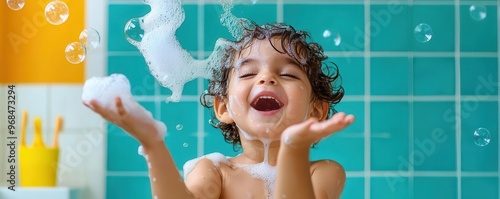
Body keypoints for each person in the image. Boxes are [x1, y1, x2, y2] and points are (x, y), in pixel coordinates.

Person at [83, 21, 355, 199]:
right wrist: (153, 144)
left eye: (288, 74)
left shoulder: (323, 173)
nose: (266, 78)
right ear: (223, 107)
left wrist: (293, 149)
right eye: (248, 73)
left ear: (316, 111)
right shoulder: (215, 172)